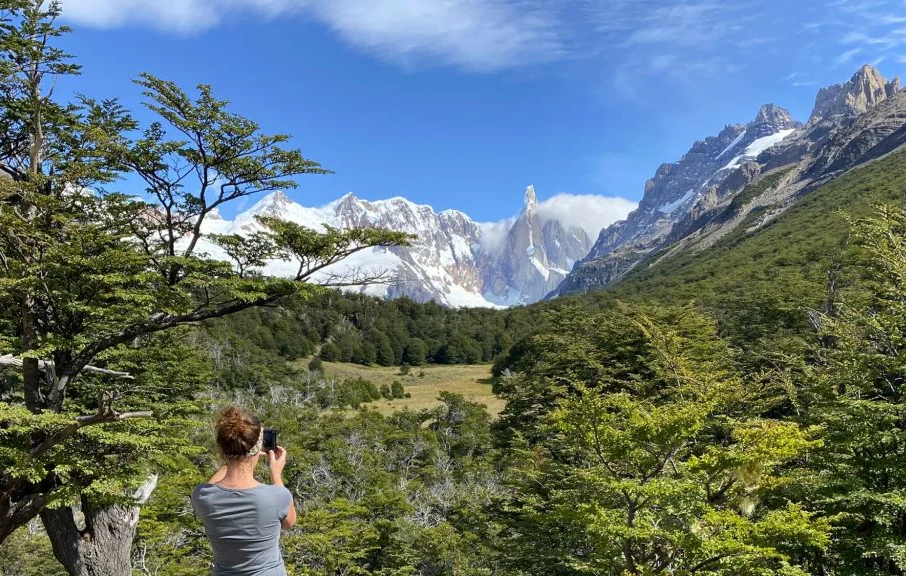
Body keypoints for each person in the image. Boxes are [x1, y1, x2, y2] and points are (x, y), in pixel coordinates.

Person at [191, 406, 297, 575]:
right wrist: (276, 474)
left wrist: (233, 458)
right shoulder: (277, 495)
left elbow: (211, 486)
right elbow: (289, 523)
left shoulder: (202, 496)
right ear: (258, 447)